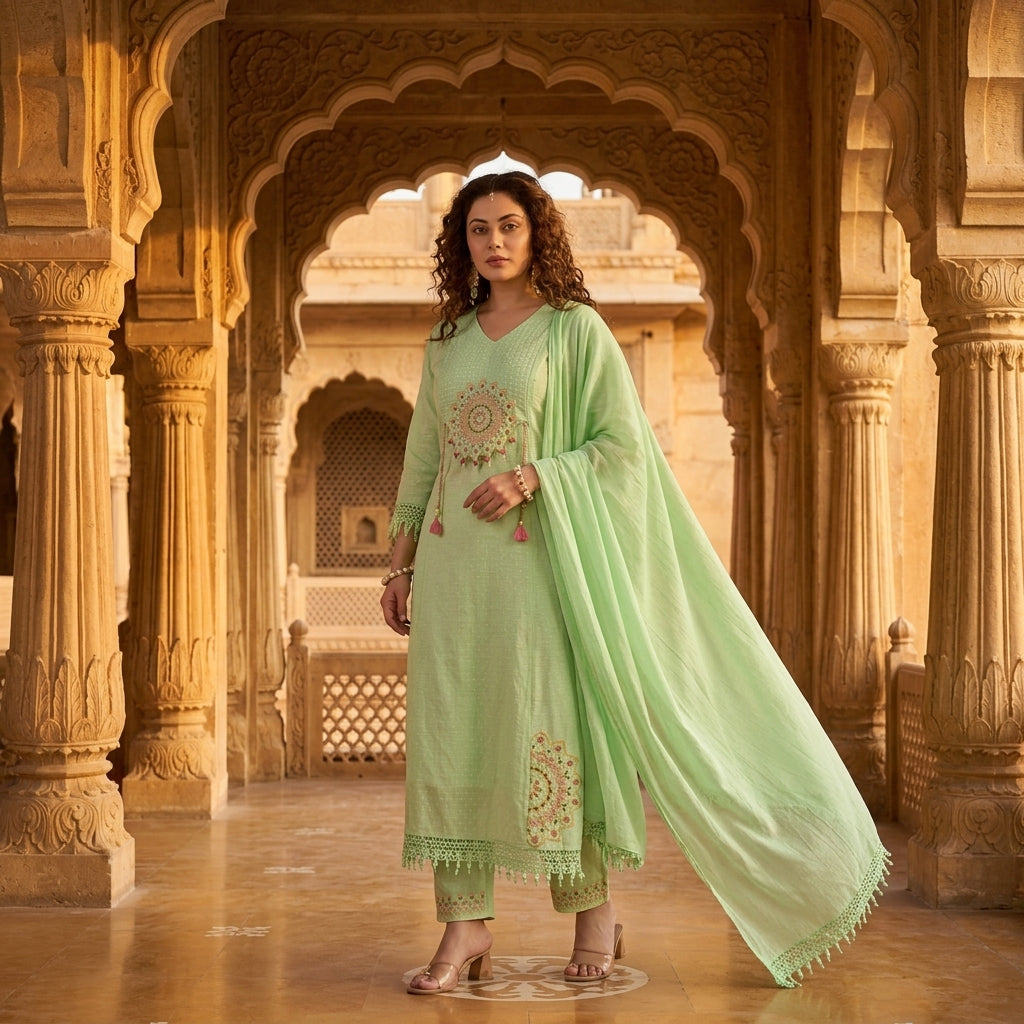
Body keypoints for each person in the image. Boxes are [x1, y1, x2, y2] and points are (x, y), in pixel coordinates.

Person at [381, 170, 888, 996]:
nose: (496, 242)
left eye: (510, 225)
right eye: (478, 230)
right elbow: (423, 459)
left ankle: (593, 914)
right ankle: (464, 922)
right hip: (455, 571)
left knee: (557, 731)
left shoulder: (575, 332)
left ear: (538, 234)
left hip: (543, 567)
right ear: (460, 243)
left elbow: (623, 452)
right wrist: (400, 563)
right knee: (455, 736)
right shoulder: (447, 341)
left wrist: (536, 476)